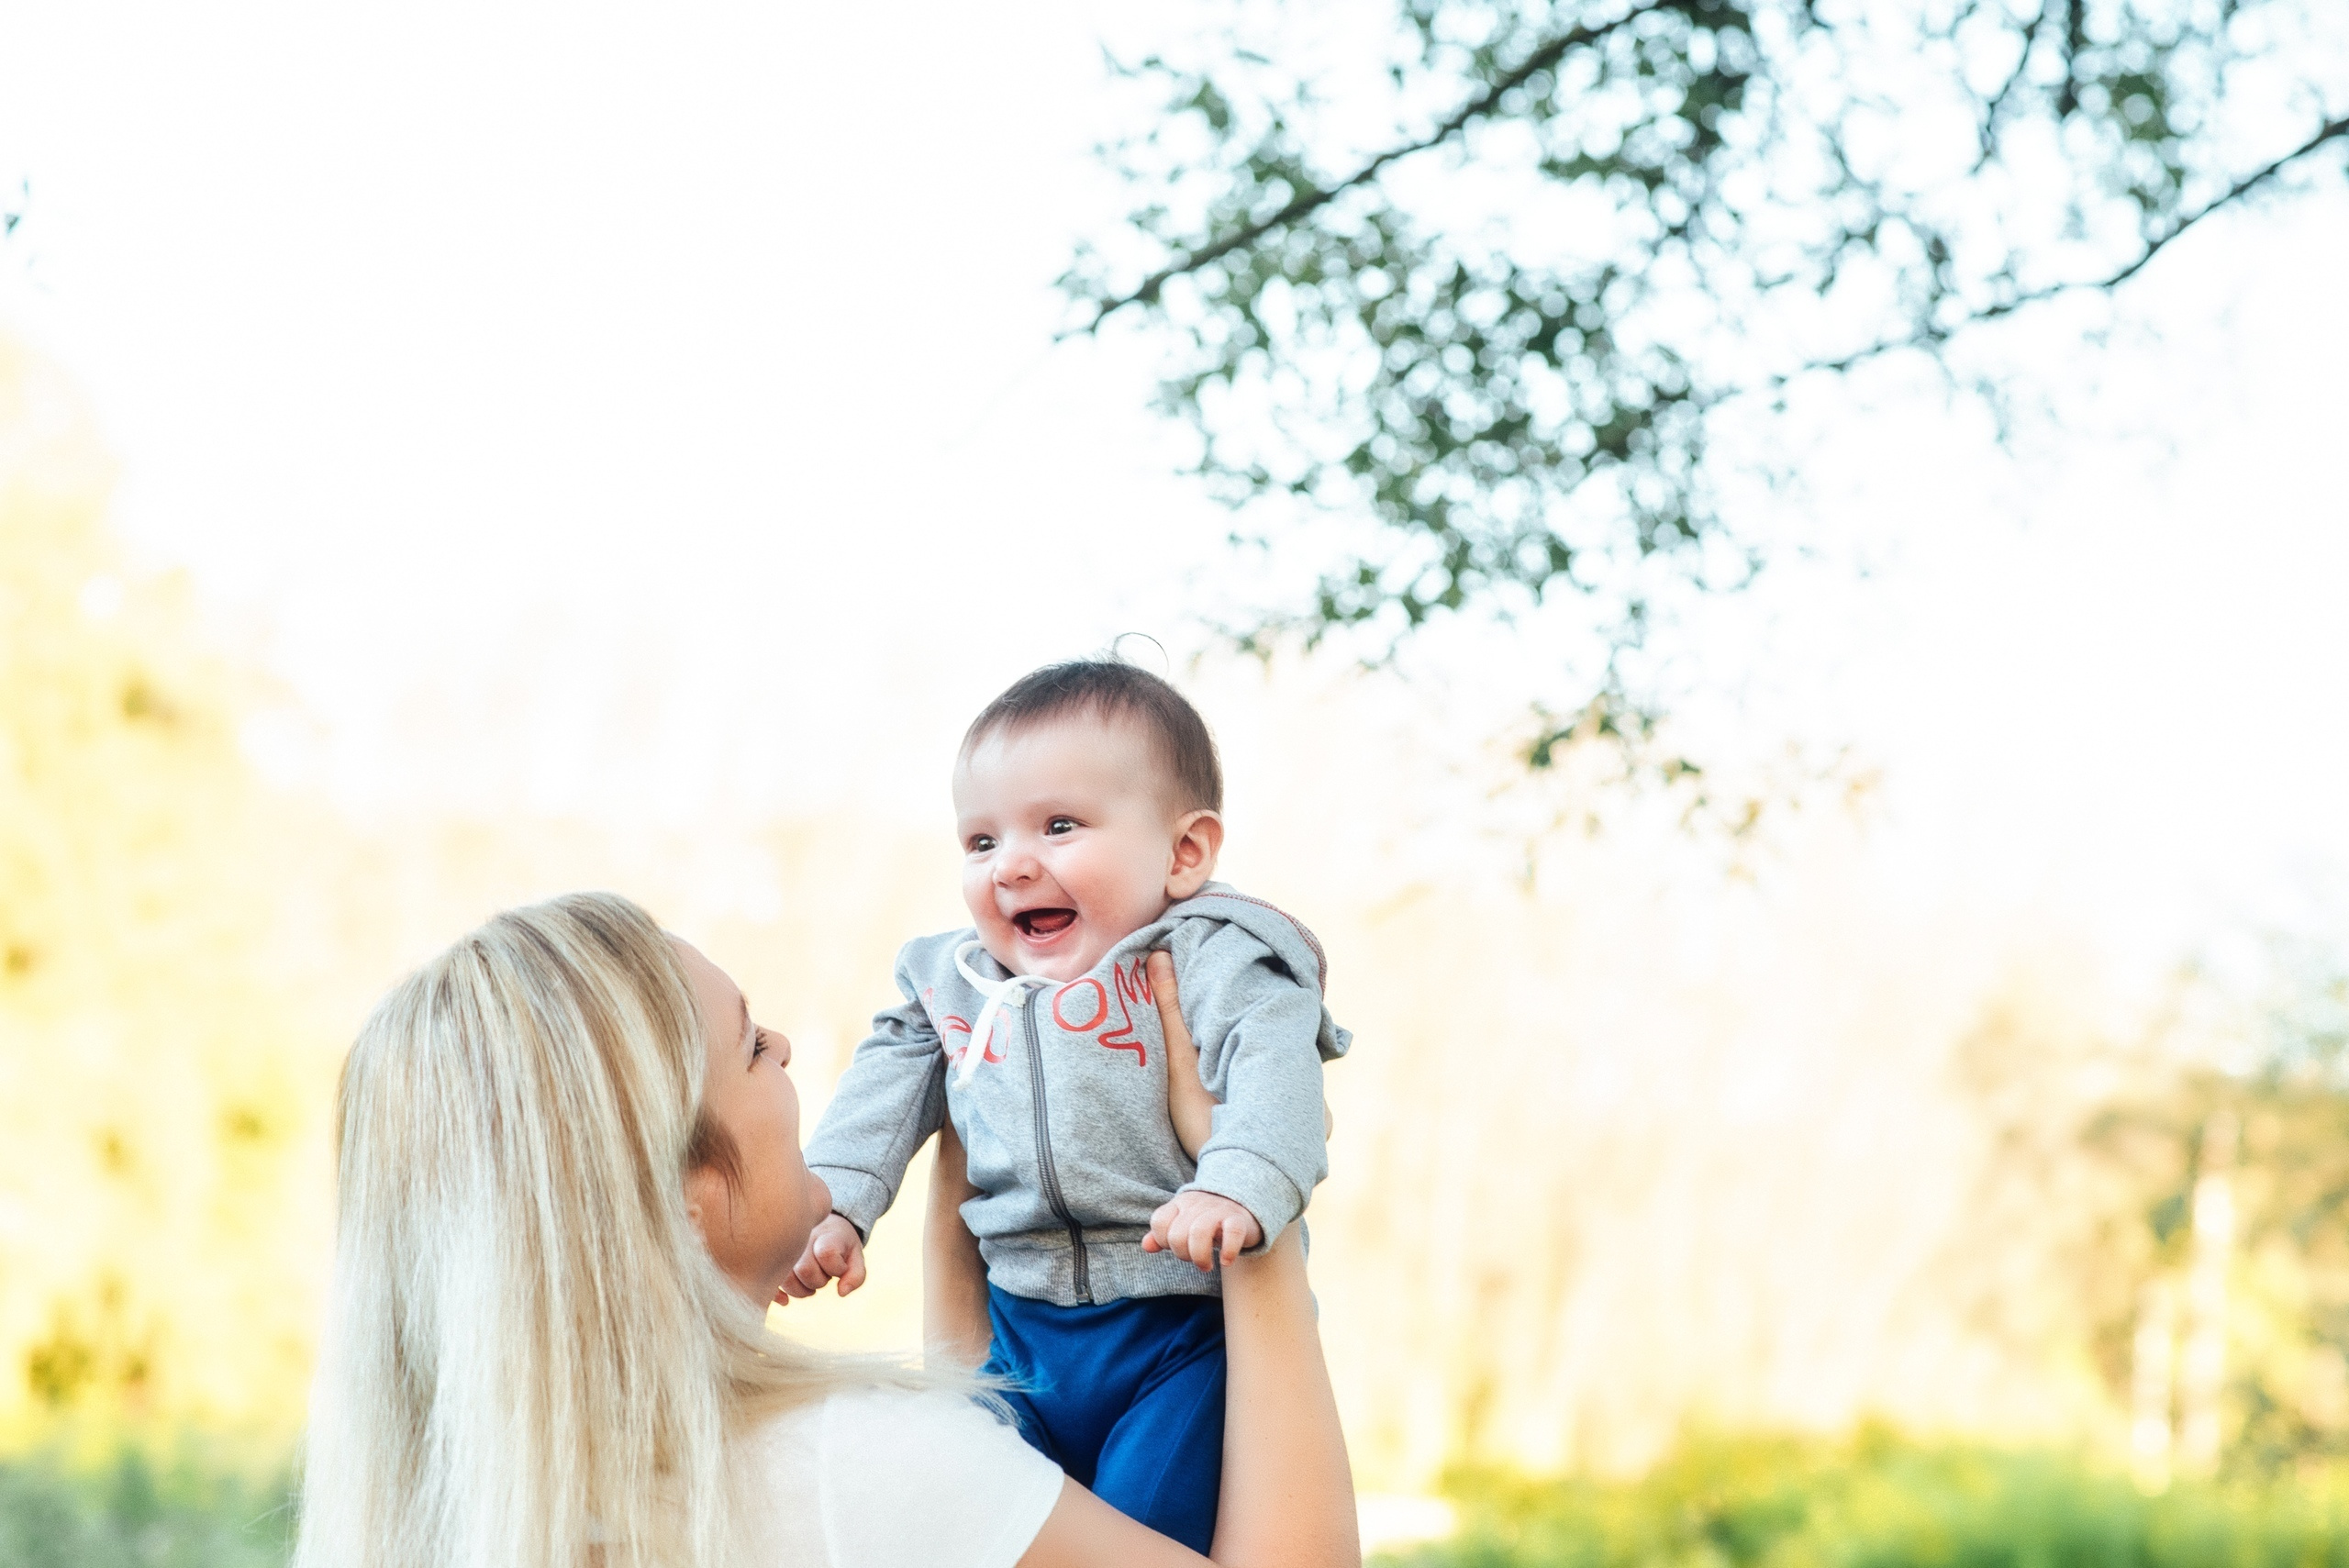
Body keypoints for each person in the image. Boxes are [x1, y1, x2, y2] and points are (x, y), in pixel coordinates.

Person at [290, 890, 1356, 1568]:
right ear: (684, 1197)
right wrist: (1247, 1198)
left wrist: (974, 1177)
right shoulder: (844, 1466)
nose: (791, 1047)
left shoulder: (475, 1505)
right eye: (751, 1045)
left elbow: (984, 1495)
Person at [790, 659, 1348, 1550]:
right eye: (979, 841)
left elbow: (1277, 1077)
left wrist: (1235, 1185)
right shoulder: (957, 978)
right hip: (1019, 1334)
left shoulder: (1216, 959)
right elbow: (884, 1085)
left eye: (1058, 825)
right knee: (994, 1536)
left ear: (1185, 850)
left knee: (1136, 1536)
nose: (1012, 863)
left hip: (1172, 1331)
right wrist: (832, 1205)